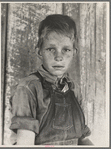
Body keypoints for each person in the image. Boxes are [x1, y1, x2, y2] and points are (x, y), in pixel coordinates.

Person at [10, 14, 93, 145]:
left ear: (74, 53)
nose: (58, 57)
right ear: (39, 52)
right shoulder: (28, 88)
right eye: (51, 49)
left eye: (66, 49)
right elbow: (24, 142)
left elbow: (82, 139)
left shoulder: (74, 89)